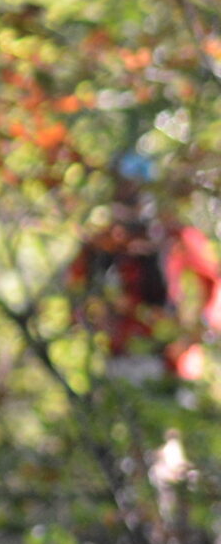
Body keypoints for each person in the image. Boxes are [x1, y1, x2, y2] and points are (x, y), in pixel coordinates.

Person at [70, 150, 219, 397]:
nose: (125, 193)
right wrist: (94, 319)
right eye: (120, 186)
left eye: (130, 186)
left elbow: (214, 284)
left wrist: (199, 330)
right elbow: (76, 290)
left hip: (172, 363)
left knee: (171, 427)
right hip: (122, 358)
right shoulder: (102, 244)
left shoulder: (174, 237)